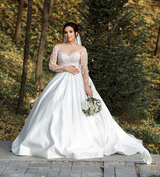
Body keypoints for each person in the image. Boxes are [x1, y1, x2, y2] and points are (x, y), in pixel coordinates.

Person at [11, 22, 152, 164]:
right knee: (53, 109)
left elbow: (84, 69)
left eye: (71, 32)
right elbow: (51, 65)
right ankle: (45, 141)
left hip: (78, 82)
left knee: (81, 112)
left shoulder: (82, 49)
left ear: (76, 33)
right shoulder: (58, 47)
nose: (68, 35)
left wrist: (87, 87)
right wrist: (66, 68)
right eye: (65, 32)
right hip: (60, 81)